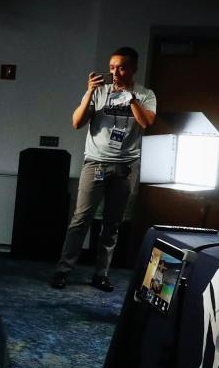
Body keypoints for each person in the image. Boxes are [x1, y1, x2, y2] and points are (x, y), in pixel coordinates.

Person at [51, 46, 158, 291]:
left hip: (125, 168)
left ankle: (101, 274)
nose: (115, 72)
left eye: (121, 67)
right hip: (97, 163)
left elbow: (146, 123)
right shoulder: (99, 92)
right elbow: (77, 122)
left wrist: (131, 98)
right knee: (81, 219)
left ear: (133, 69)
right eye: (111, 67)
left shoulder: (145, 94)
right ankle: (63, 270)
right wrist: (89, 92)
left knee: (112, 224)